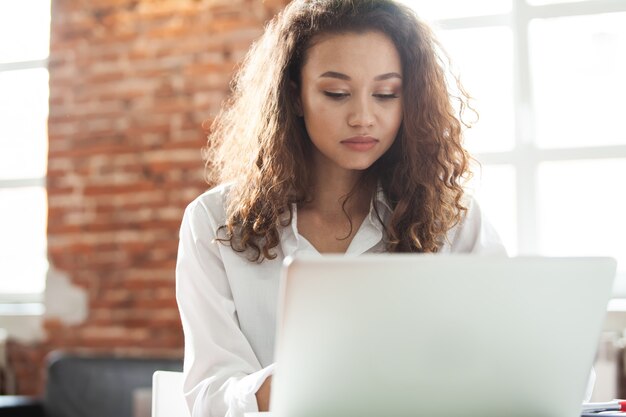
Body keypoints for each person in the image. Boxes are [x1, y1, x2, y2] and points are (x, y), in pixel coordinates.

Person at [175, 1, 507, 416]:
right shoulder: (214, 221)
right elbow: (210, 395)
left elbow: (514, 357)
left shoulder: (451, 217)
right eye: (337, 94)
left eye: (386, 94)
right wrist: (322, 378)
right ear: (294, 96)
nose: (363, 117)